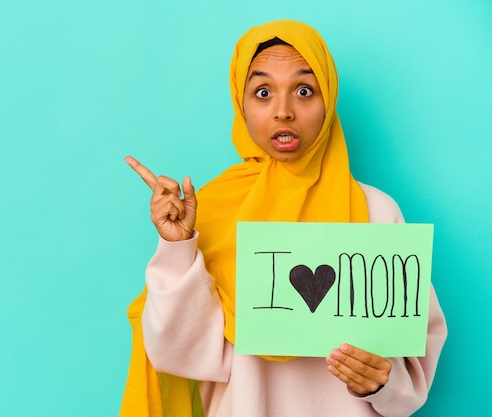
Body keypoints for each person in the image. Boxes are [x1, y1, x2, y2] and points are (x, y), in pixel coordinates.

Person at [120, 19, 447, 417]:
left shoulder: (377, 211)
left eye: (305, 90)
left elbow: (413, 361)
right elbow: (180, 354)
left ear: (328, 102)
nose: (283, 112)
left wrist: (384, 381)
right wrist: (177, 246)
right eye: (262, 92)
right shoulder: (211, 209)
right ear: (241, 106)